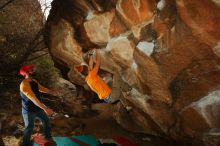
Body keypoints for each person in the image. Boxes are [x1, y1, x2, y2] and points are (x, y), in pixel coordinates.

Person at [19, 65, 59, 146]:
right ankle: (25, 144)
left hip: (38, 108)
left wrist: (52, 92)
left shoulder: (34, 81)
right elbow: (33, 98)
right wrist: (45, 108)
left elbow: (42, 89)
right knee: (29, 127)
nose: (34, 70)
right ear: (26, 72)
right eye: (31, 69)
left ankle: (48, 137)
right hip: (28, 111)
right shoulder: (24, 85)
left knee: (46, 122)